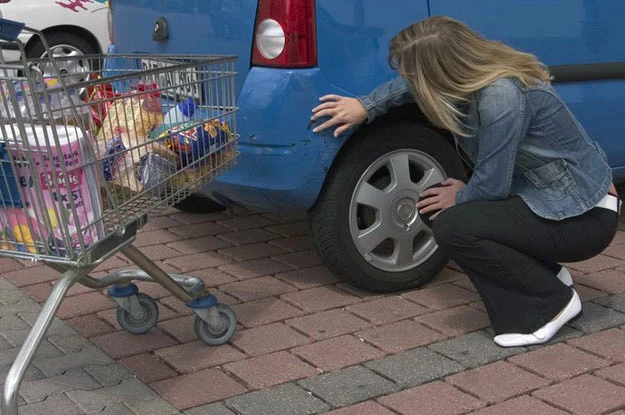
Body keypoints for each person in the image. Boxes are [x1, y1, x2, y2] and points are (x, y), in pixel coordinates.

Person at [310, 16, 620, 348]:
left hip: (584, 216)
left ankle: (549, 305)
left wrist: (461, 195)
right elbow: (407, 87)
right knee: (435, 205)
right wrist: (365, 106)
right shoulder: (473, 73)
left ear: (441, 72)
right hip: (546, 201)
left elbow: (491, 187)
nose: (404, 78)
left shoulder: (501, 96)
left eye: (411, 72)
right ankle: (545, 276)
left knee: (454, 225)